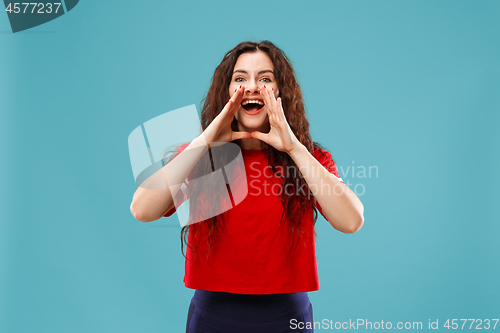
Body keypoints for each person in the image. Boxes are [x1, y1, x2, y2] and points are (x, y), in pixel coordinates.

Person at [130, 40, 364, 333]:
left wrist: (293, 147)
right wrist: (204, 142)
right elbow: (141, 209)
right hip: (212, 316)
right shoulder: (199, 157)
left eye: (265, 78)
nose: (251, 87)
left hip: (287, 316)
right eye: (240, 79)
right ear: (226, 92)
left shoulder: (310, 158)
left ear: (280, 92)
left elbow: (352, 220)